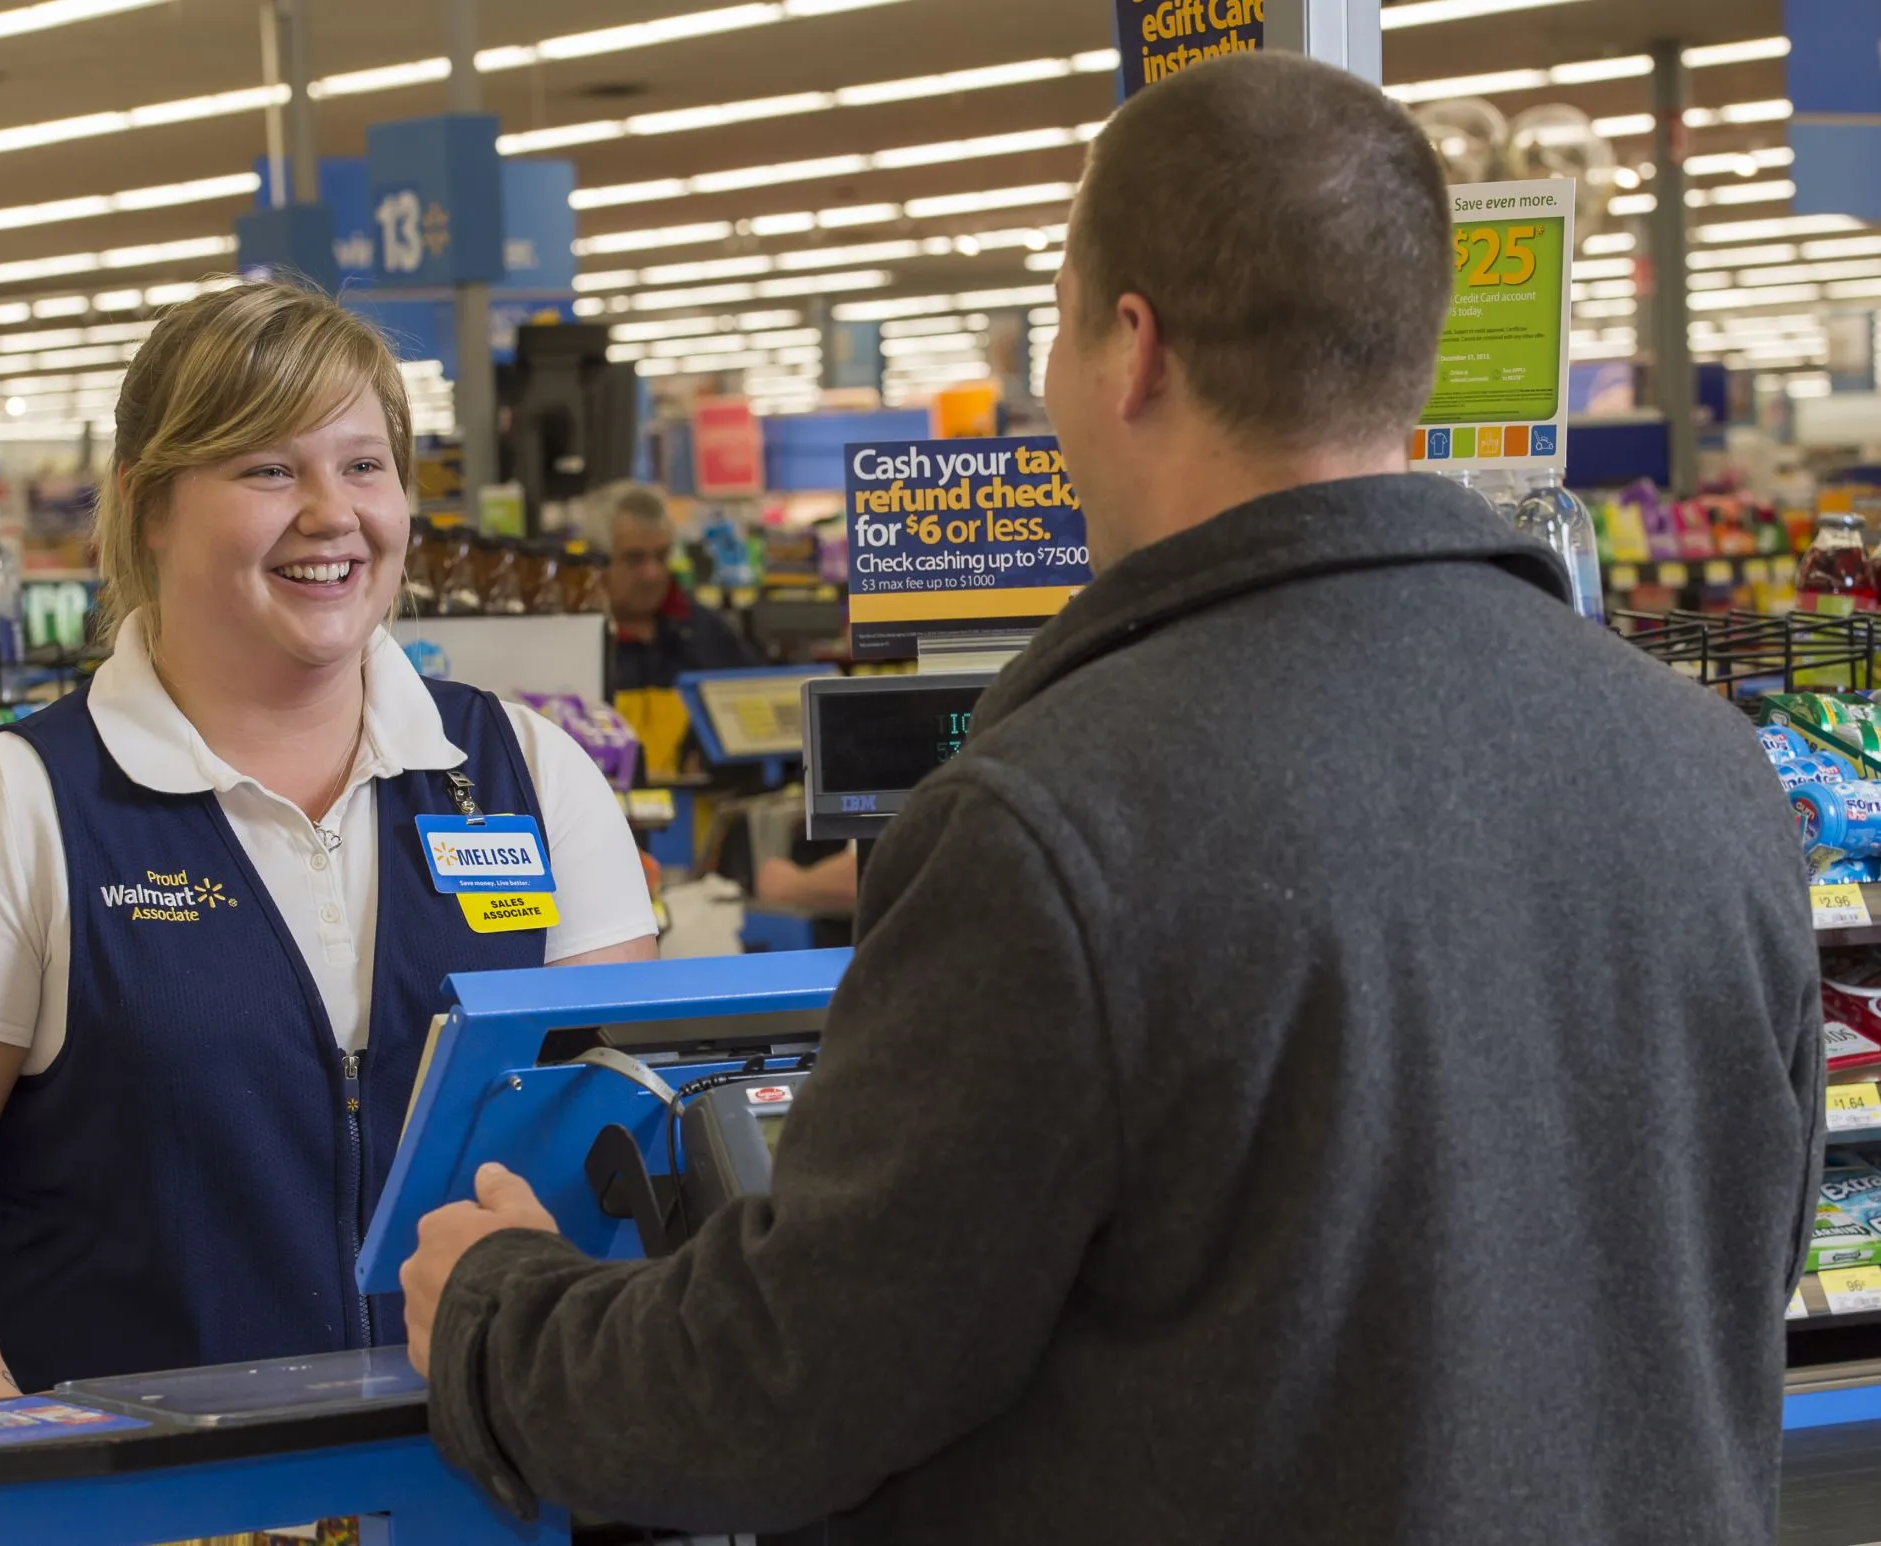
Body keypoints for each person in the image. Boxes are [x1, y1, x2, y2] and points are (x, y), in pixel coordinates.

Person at [398, 52, 1823, 1544]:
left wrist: (504, 1312)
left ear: (1130, 349)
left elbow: (789, 1385)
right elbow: (1738, 1254)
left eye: (1058, 334)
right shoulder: (1702, 765)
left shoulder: (1050, 825)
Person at [0, 282, 659, 1405]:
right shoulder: (11, 812)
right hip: (159, 1503)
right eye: (267, 468)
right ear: (147, 506)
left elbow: (608, 1157)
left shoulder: (533, 780)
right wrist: (32, 1460)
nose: (331, 512)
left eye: (364, 465)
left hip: (488, 1484)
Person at [593, 482, 762, 692]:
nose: (652, 574)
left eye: (662, 556)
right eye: (634, 559)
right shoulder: (573, 645)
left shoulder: (706, 632)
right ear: (595, 566)